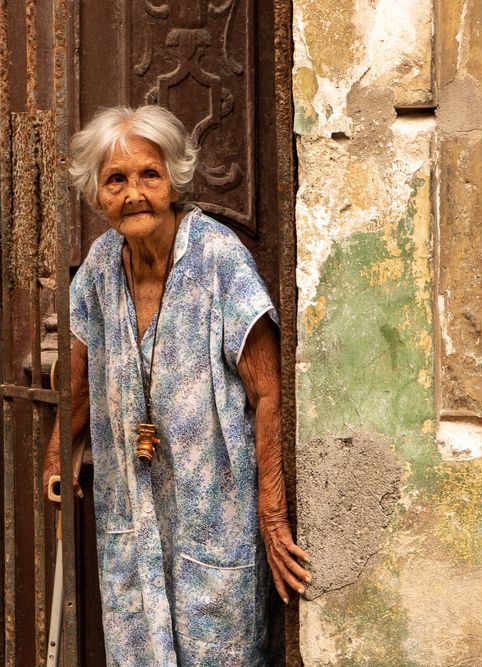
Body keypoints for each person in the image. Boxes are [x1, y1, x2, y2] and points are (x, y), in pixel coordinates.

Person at [42, 105, 311, 665]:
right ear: (97, 194)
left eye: (149, 175)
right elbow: (79, 376)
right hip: (132, 514)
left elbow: (268, 391)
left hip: (216, 516)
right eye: (116, 180)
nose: (134, 193)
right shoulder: (97, 267)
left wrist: (272, 512)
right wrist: (55, 456)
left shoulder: (219, 260)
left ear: (172, 181)